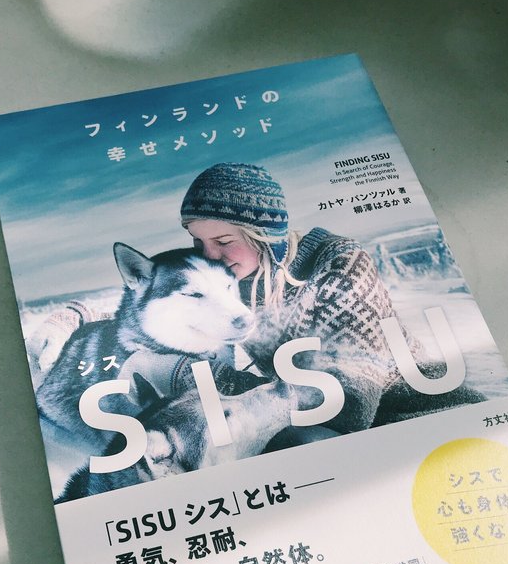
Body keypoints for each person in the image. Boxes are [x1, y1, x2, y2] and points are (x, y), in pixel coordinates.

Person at [175, 162, 483, 435]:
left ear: (265, 237)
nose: (209, 256)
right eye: (198, 243)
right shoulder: (232, 286)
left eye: (223, 241)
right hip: (337, 433)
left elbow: (348, 406)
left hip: (426, 413)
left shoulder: (340, 264)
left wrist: (221, 385)